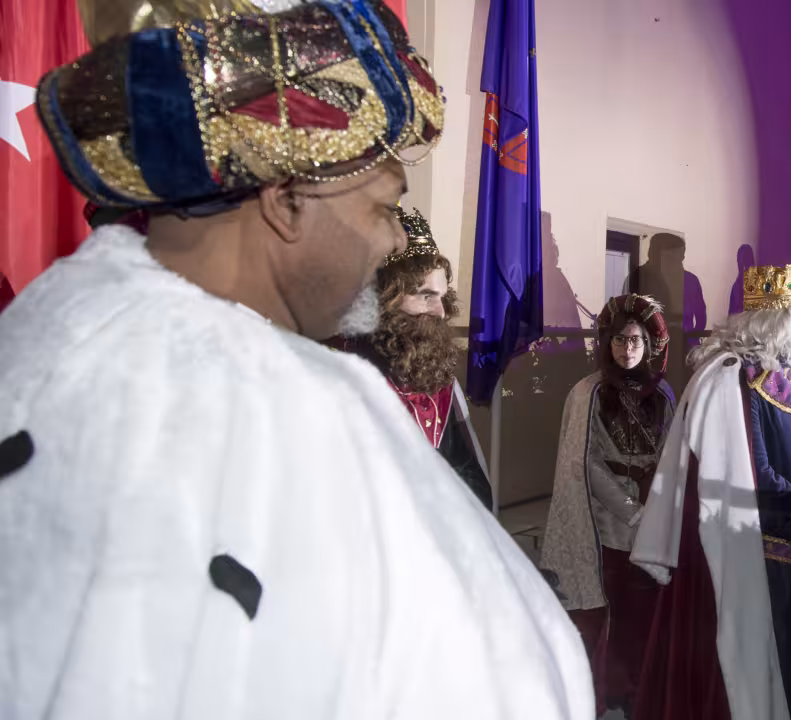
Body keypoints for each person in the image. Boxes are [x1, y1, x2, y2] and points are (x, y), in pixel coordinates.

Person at [0, 2, 592, 719]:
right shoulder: (295, 412)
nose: (384, 248)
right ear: (286, 201)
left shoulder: (39, 331)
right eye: (381, 209)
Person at [630, 264, 791, 720]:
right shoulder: (730, 378)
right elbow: (752, 479)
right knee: (762, 683)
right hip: (764, 566)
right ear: (766, 321)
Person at [541, 293, 676, 717]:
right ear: (607, 343)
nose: (628, 348)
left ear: (649, 345)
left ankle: (645, 689)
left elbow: (674, 451)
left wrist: (659, 503)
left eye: (635, 340)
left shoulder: (664, 392)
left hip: (656, 513)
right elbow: (587, 463)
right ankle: (613, 691)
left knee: (647, 610)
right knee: (614, 609)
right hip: (608, 522)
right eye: (619, 340)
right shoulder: (589, 393)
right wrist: (630, 509)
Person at [332, 207, 491, 509]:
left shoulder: (436, 380)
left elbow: (467, 473)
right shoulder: (331, 372)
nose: (441, 312)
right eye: (425, 296)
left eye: (442, 297)